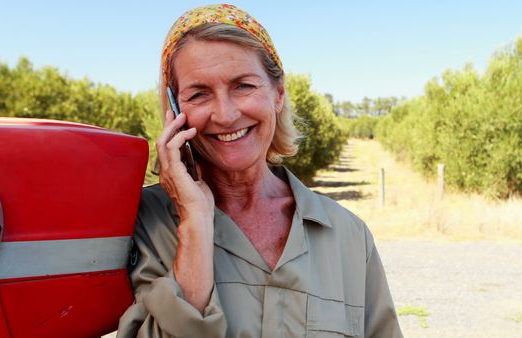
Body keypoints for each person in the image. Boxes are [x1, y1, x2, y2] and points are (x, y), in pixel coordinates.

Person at [117, 4, 402, 337]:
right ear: (176, 110)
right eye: (199, 94)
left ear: (278, 94)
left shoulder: (348, 235)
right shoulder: (143, 225)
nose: (224, 115)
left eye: (243, 86)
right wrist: (194, 224)